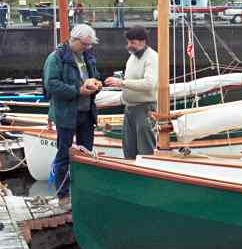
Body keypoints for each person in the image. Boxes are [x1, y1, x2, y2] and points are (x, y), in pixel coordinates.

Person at [43, 24, 101, 203]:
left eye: (90, 45)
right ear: (74, 40)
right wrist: (78, 91)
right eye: (85, 44)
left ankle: (84, 192)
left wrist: (96, 84)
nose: (87, 47)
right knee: (63, 154)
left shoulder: (87, 56)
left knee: (86, 154)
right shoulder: (56, 58)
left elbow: (95, 75)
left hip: (86, 113)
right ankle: (63, 195)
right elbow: (51, 84)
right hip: (66, 114)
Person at [104, 26, 158, 159]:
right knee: (129, 148)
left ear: (142, 41)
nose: (129, 46)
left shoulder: (152, 57)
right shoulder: (133, 57)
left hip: (144, 109)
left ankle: (147, 176)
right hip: (130, 108)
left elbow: (149, 84)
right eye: (128, 42)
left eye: (132, 42)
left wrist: (122, 83)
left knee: (145, 149)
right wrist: (121, 82)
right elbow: (131, 80)